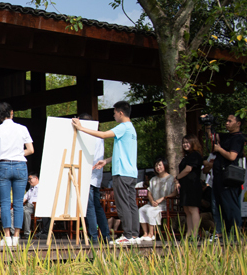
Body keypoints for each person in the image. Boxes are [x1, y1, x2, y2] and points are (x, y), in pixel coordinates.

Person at [73, 101, 139, 245]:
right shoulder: (132, 129)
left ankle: (127, 235)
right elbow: (124, 153)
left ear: (120, 113)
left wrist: (81, 128)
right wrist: (106, 161)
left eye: (114, 113)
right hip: (131, 172)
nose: (114, 116)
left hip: (122, 172)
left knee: (123, 205)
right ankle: (134, 235)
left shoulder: (123, 127)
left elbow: (103, 135)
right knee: (131, 204)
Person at [0, 102, 34, 247]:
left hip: (3, 166)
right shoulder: (22, 129)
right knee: (19, 203)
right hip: (21, 165)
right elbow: (31, 150)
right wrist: (19, 154)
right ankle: (16, 237)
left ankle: (7, 237)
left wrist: (2, 157)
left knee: (5, 203)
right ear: (12, 113)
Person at [206, 113, 246, 240]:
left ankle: (234, 233)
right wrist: (208, 125)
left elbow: (232, 156)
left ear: (238, 123)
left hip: (230, 177)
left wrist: (219, 149)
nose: (227, 123)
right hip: (218, 177)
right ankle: (219, 232)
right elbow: (212, 138)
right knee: (216, 205)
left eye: (230, 121)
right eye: (226, 121)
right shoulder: (226, 136)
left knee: (230, 206)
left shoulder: (238, 138)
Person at [77, 114, 109, 246]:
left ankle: (94, 237)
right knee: (96, 206)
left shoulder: (91, 135)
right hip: (96, 176)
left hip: (89, 175)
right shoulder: (99, 135)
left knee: (90, 207)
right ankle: (105, 235)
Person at [138, 158, 176, 241]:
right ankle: (145, 233)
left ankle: (151, 234)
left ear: (165, 166)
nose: (158, 167)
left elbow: (175, 193)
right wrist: (152, 201)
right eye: (156, 165)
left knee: (150, 211)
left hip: (165, 204)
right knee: (141, 210)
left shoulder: (171, 179)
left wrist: (162, 199)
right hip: (153, 203)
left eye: (160, 165)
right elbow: (149, 192)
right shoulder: (153, 179)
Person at [176, 135, 204, 239]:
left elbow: (188, 169)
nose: (185, 145)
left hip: (193, 185)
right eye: (184, 143)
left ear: (193, 143)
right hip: (185, 186)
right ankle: (189, 233)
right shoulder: (187, 156)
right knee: (187, 210)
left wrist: (177, 177)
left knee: (193, 209)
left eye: (187, 142)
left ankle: (196, 233)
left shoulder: (195, 155)